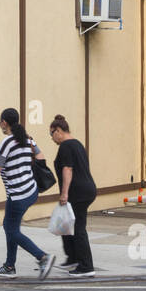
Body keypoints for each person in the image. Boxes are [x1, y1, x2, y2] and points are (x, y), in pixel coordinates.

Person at [0, 107, 55, 278]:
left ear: (5, 123)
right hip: (31, 191)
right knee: (11, 227)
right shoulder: (28, 140)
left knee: (11, 229)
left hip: (17, 195)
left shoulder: (7, 142)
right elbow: (41, 158)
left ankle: (43, 257)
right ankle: (9, 266)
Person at [49, 115, 97, 276]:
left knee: (77, 228)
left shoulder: (66, 146)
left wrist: (64, 193)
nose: (52, 138)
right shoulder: (77, 144)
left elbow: (67, 169)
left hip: (78, 193)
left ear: (59, 130)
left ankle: (86, 266)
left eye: (52, 134)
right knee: (67, 225)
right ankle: (73, 258)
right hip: (86, 189)